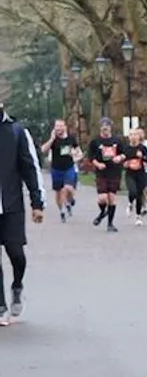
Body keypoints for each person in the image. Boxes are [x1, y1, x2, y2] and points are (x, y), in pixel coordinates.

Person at [0, 104, 46, 325]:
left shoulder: (16, 131)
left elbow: (30, 168)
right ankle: (0, 307)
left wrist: (37, 202)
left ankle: (17, 285)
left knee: (16, 253)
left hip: (11, 205)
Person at [86, 117, 128, 232]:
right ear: (100, 128)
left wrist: (119, 158)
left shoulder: (117, 140)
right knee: (102, 198)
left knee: (112, 198)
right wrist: (98, 164)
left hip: (114, 171)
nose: (105, 128)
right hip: (101, 172)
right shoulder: (95, 141)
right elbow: (91, 157)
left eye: (107, 126)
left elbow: (124, 154)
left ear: (110, 127)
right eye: (103, 126)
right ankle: (102, 212)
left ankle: (110, 224)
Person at [40, 118, 80, 220]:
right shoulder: (53, 140)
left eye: (61, 126)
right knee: (58, 192)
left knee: (68, 188)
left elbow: (79, 153)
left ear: (65, 127)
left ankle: (70, 200)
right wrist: (51, 139)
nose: (59, 128)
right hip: (56, 169)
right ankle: (62, 210)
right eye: (57, 126)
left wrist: (75, 156)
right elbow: (43, 150)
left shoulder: (71, 138)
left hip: (69, 167)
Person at [125, 121, 147, 224]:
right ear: (128, 137)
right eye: (131, 135)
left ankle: (138, 217)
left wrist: (142, 157)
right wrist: (124, 164)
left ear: (138, 137)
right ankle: (130, 203)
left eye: (135, 135)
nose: (133, 137)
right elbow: (121, 160)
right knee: (133, 192)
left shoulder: (142, 148)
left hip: (140, 173)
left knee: (139, 195)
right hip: (130, 174)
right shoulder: (126, 148)